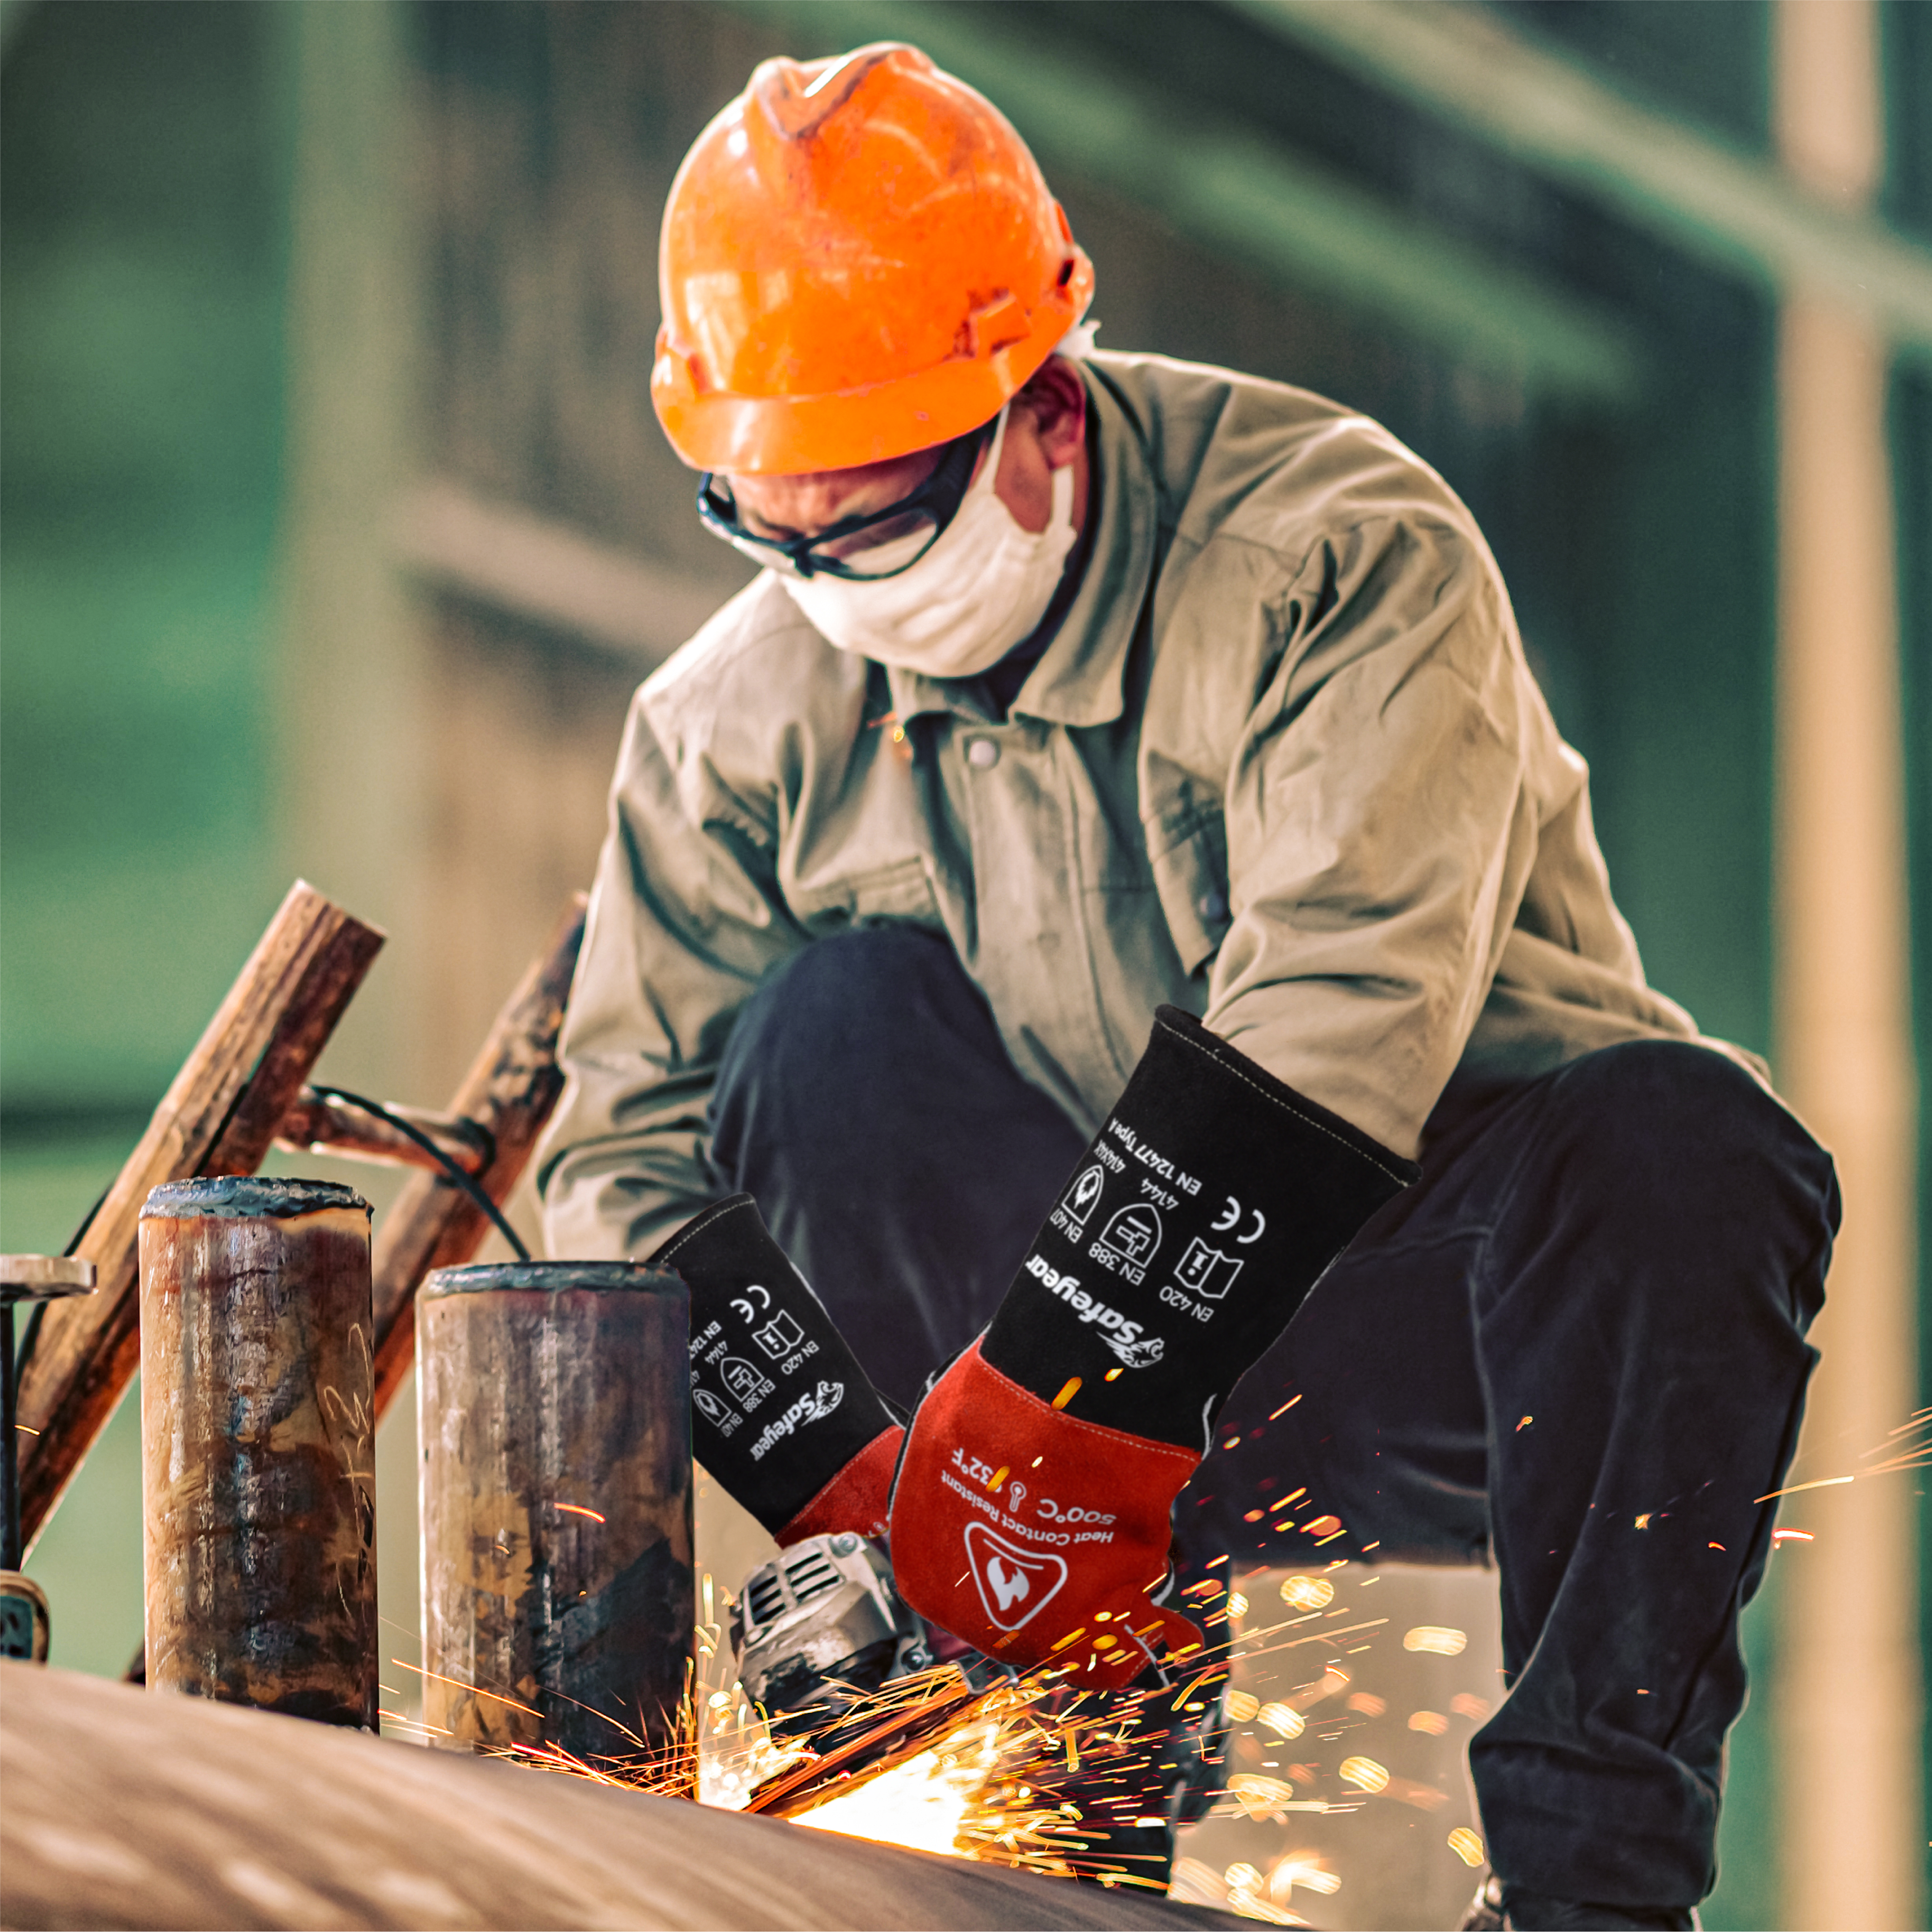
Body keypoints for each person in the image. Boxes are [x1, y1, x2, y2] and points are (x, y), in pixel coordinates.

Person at [536, 43, 1838, 1932]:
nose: (831, 587)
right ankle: (1078, 1752)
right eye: (772, 528)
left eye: (879, 521)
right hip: (1029, 1409)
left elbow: (1332, 1006)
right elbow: (617, 1176)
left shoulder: (1333, 556)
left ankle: (1590, 1880)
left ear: (1044, 408)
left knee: (1687, 1145)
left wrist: (1051, 1408)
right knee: (828, 1034)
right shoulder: (728, 725)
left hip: (1435, 1326)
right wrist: (880, 1495)